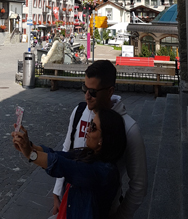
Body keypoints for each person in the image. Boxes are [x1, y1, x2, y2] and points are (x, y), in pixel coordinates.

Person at [49, 60, 147, 219]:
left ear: (109, 91)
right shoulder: (79, 111)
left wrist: (119, 216)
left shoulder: (129, 128)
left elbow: (139, 184)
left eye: (93, 92)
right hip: (71, 205)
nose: (87, 96)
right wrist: (57, 192)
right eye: (85, 89)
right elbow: (67, 149)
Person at [13, 107, 127, 219]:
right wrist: (29, 146)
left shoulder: (105, 171)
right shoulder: (89, 153)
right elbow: (60, 155)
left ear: (103, 139)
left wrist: (31, 154)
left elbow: (64, 166)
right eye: (91, 122)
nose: (87, 128)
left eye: (93, 127)